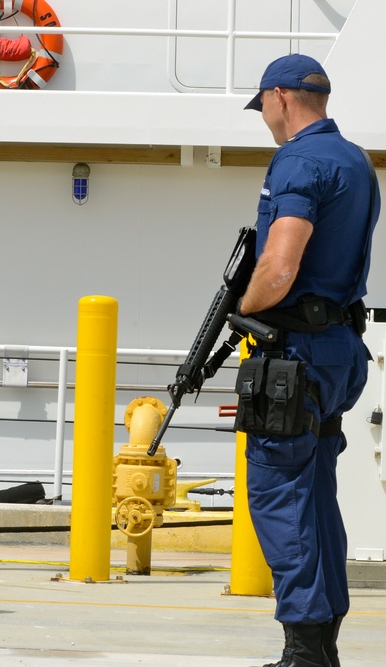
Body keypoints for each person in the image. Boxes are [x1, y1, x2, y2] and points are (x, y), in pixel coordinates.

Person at [239, 54, 379, 667]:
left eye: (264, 106)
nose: (264, 118)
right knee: (317, 493)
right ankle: (321, 644)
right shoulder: (357, 160)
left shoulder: (298, 159)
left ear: (280, 97)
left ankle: (302, 646)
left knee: (279, 490)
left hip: (296, 351)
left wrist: (243, 308)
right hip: (341, 348)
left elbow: (280, 265)